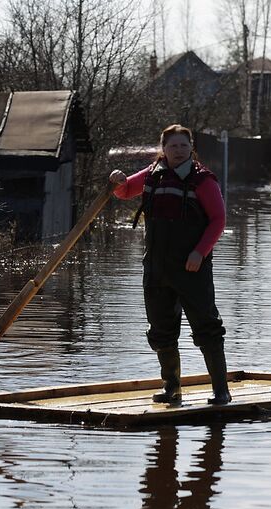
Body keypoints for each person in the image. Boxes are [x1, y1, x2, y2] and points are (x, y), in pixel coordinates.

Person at [108, 124, 231, 405]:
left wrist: (200, 252)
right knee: (160, 330)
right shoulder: (154, 174)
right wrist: (117, 179)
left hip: (192, 267)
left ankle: (221, 391)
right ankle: (171, 387)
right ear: (163, 149)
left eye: (184, 146)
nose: (179, 151)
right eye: (173, 146)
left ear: (191, 149)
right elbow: (125, 191)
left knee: (207, 327)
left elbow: (218, 220)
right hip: (157, 267)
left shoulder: (204, 180)